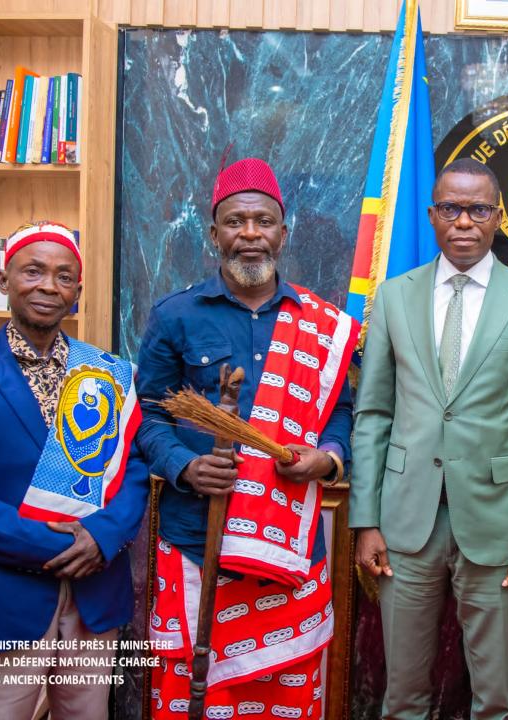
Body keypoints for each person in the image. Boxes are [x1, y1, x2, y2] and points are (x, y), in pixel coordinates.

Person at [137, 156, 358, 719]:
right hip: (196, 542)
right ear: (214, 234)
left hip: (289, 550)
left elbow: (343, 413)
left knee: (283, 695)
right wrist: (185, 466)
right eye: (236, 222)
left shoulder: (323, 322)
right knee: (198, 697)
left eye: (263, 221)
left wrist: (327, 459)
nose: (251, 234)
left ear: (284, 232)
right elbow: (147, 415)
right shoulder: (175, 316)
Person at [349, 157, 508, 720]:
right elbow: (372, 413)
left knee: (494, 699)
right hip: (404, 523)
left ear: (498, 218)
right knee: (402, 697)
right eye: (451, 208)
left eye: (477, 209)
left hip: (497, 525)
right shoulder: (394, 296)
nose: (464, 221)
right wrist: (365, 520)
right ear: (432, 215)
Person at [0, 221, 149, 719]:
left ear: (77, 293)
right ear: (4, 281)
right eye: (33, 271)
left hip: (94, 589)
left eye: (64, 277)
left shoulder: (107, 373)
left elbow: (132, 471)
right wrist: (60, 545)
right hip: (0, 592)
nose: (48, 286)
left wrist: (101, 538)